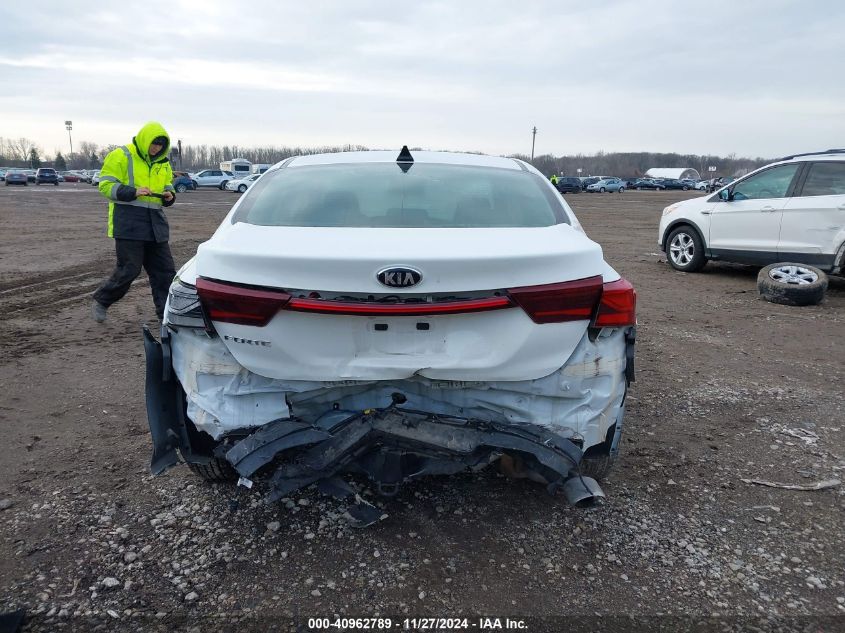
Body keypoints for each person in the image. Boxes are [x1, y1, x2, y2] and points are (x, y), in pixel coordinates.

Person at [92, 122, 177, 323]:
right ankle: (102, 300)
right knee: (129, 269)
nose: (156, 148)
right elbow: (105, 186)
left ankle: (165, 318)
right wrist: (133, 192)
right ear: (145, 140)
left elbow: (168, 186)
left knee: (165, 273)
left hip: (155, 225)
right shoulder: (122, 155)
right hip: (128, 223)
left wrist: (169, 196)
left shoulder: (163, 162)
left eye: (160, 145)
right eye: (154, 143)